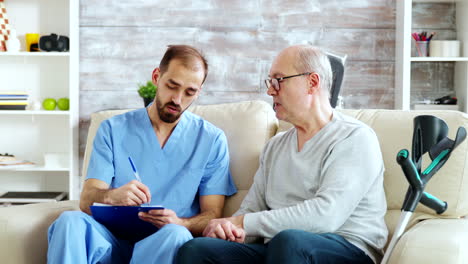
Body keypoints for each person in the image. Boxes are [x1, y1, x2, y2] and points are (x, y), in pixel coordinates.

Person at [176, 45, 388, 264]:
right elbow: (251, 210)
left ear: (312, 82)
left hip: (346, 249)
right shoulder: (275, 147)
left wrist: (243, 223)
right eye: (270, 82)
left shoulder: (354, 138)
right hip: (280, 250)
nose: (270, 91)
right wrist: (231, 229)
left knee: (289, 242)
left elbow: (326, 216)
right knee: (197, 249)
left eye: (279, 80)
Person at [47, 45, 237, 264]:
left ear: (198, 92)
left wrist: (180, 222)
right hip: (110, 241)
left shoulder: (211, 140)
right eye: (172, 86)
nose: (177, 99)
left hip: (164, 244)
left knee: (176, 234)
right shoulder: (113, 129)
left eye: (189, 92)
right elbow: (87, 199)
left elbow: (213, 214)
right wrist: (112, 195)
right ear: (157, 77)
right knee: (70, 221)